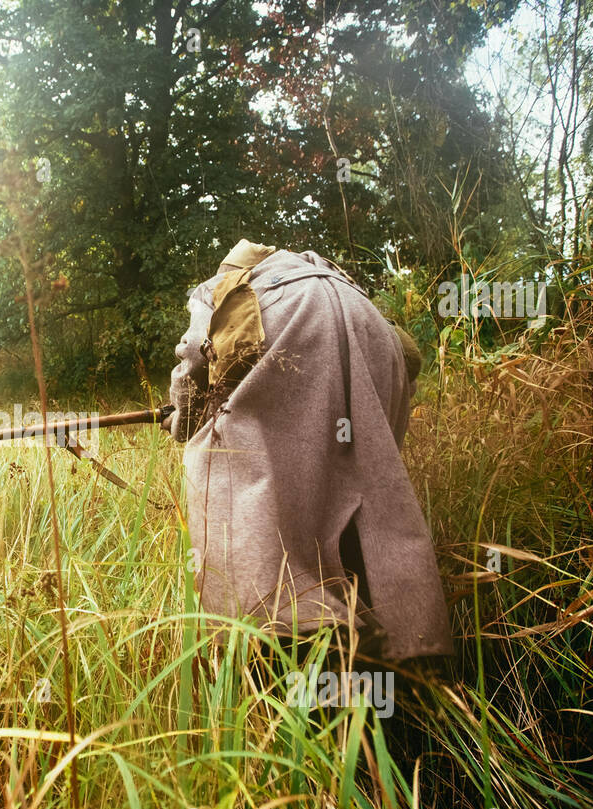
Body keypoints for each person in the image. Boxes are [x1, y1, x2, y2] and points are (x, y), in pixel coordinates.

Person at [162, 239, 452, 663]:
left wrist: (181, 419)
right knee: (362, 487)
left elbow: (193, 361)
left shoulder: (224, 285)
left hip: (294, 333)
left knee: (229, 474)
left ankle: (291, 629)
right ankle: (402, 637)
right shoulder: (341, 283)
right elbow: (408, 357)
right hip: (374, 339)